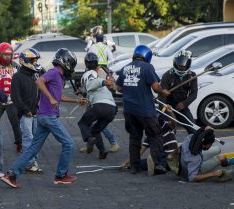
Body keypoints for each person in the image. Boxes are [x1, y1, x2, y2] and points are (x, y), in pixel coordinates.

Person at [0, 48, 88, 188]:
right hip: (48, 116)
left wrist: (76, 101)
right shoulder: (54, 72)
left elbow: (58, 97)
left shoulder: (59, 77)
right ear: (66, 62)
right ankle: (60, 175)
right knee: (69, 144)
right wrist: (50, 97)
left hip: (42, 116)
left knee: (32, 149)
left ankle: (11, 175)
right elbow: (39, 82)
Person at [115, 45, 170, 174]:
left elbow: (118, 88)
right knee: (155, 136)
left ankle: (134, 166)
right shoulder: (147, 67)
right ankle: (157, 164)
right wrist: (163, 92)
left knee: (134, 138)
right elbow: (156, 87)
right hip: (145, 110)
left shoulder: (125, 68)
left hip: (129, 110)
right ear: (147, 56)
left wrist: (129, 87)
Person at [78, 52, 118, 159]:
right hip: (112, 109)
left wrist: (103, 82)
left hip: (100, 105)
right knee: (95, 130)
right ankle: (102, 151)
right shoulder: (97, 73)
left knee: (83, 123)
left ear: (86, 64)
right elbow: (90, 89)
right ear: (97, 65)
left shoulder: (89, 74)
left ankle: (89, 140)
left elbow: (92, 83)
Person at [11, 48, 43, 173]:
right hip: (25, 114)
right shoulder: (17, 77)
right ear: (25, 60)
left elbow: (38, 92)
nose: (35, 63)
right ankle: (30, 163)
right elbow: (15, 97)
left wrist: (39, 104)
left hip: (35, 112)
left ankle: (32, 161)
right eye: (33, 60)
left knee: (35, 139)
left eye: (36, 60)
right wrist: (25, 110)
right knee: (28, 138)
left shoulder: (34, 75)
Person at [160, 49, 197, 134]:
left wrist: (184, 103)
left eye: (184, 65)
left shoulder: (192, 76)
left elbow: (194, 94)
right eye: (179, 65)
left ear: (189, 63)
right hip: (168, 107)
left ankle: (193, 146)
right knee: (170, 132)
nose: (181, 67)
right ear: (174, 62)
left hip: (182, 105)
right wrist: (163, 112)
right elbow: (162, 96)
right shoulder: (167, 75)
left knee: (193, 130)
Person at [0, 42, 23, 153]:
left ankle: (19, 143)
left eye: (9, 55)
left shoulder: (16, 66)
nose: (7, 57)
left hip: (12, 100)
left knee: (16, 124)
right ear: (0, 54)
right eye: (5, 55)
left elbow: (20, 82)